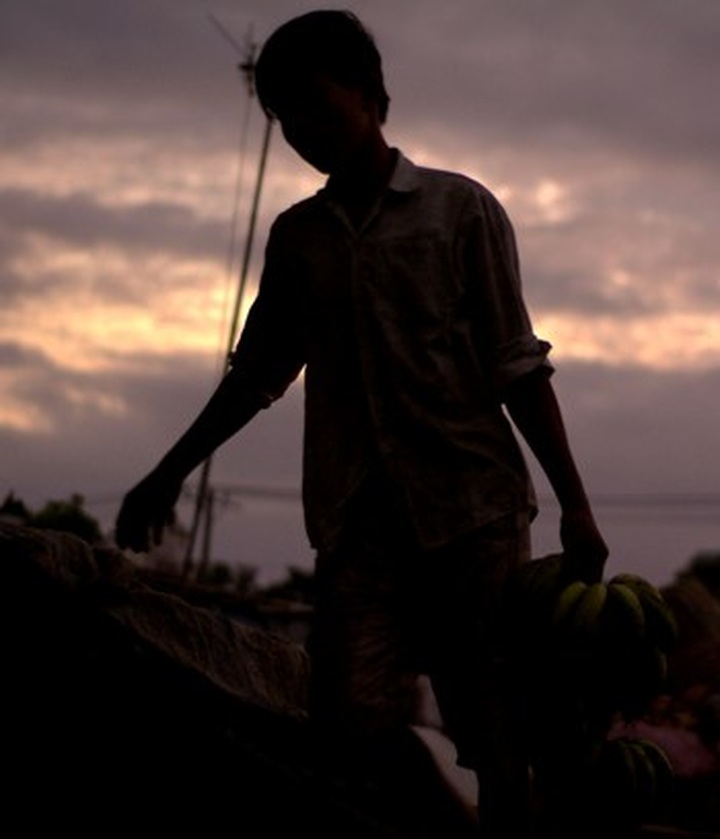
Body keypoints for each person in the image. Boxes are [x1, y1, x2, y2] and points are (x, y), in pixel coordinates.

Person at [115, 10, 608, 837]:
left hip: (471, 515)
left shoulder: (460, 211)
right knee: (348, 728)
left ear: (373, 97)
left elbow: (516, 366)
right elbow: (257, 377)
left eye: (318, 106)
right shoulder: (298, 240)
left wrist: (576, 503)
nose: (306, 131)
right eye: (287, 119)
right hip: (357, 525)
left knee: (495, 730)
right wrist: (168, 471)